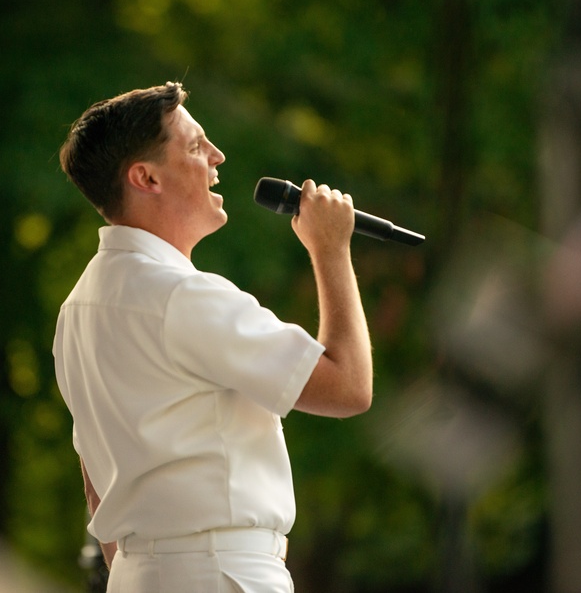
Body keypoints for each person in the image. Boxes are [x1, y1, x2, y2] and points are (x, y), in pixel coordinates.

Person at [53, 82, 373, 592]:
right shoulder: (182, 295)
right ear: (146, 177)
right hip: (220, 573)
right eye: (196, 146)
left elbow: (96, 472)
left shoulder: (78, 309)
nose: (217, 156)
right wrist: (331, 249)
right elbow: (349, 385)